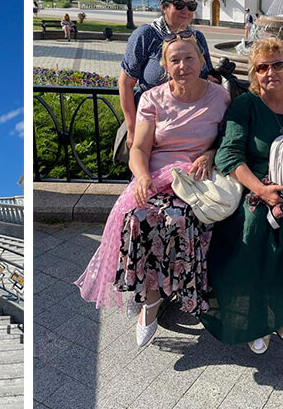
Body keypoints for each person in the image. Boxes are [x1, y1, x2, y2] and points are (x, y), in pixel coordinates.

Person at [76, 36, 230, 346]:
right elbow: (140, 148)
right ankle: (149, 294)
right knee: (138, 215)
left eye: (189, 58)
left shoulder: (220, 97)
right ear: (165, 66)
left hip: (198, 179)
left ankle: (174, 294)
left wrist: (211, 154)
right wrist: (142, 176)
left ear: (202, 61)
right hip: (158, 175)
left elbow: (227, 140)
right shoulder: (152, 99)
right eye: (175, 60)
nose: (183, 66)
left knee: (181, 218)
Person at [200, 37, 283, 354]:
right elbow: (229, 156)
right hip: (256, 185)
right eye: (262, 67)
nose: (270, 72)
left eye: (278, 65)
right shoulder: (247, 105)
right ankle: (255, 318)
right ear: (255, 73)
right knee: (254, 224)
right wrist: (262, 190)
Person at [118, 0, 216, 154]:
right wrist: (132, 128)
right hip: (150, 125)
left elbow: (205, 75)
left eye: (191, 5)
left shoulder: (197, 38)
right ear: (164, 6)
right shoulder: (146, 35)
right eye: (179, 4)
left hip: (190, 124)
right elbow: (126, 82)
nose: (185, 10)